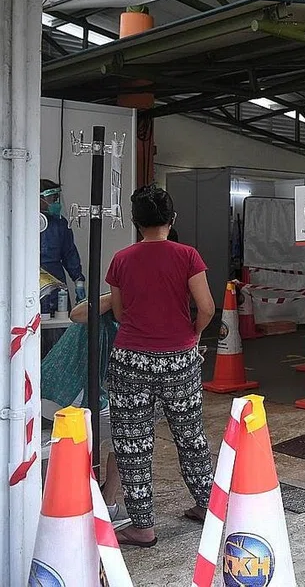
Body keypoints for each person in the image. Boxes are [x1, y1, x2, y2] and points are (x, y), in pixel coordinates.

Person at [106, 184, 216, 547]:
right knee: (191, 436)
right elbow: (207, 308)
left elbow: (120, 313)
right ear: (172, 219)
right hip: (180, 360)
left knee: (133, 443)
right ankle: (207, 504)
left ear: (136, 222)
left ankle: (143, 526)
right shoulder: (188, 255)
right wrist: (193, 335)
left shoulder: (122, 259)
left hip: (131, 359)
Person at [39, 292, 130, 530]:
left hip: (53, 386)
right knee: (131, 432)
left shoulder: (110, 314)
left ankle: (83, 499)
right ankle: (106, 503)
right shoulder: (104, 312)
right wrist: (117, 295)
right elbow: (76, 314)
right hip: (72, 393)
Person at [40, 180, 85, 354]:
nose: (55, 202)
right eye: (52, 198)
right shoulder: (22, 222)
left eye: (56, 197)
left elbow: (69, 253)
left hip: (56, 281)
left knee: (59, 330)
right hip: (31, 280)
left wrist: (78, 279)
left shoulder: (60, 224)